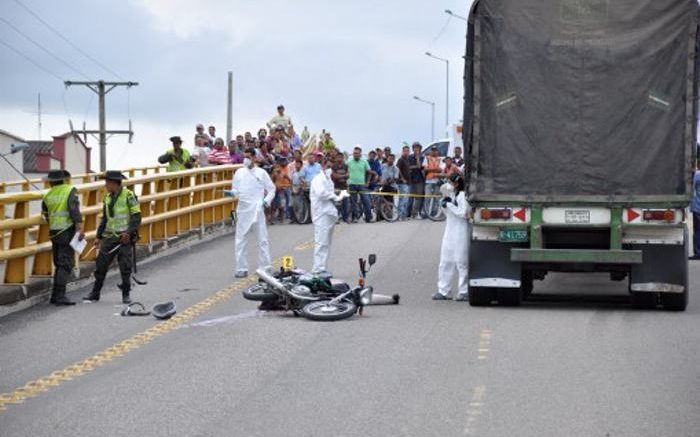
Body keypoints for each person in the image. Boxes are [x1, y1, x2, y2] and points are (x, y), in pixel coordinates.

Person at [84, 171, 142, 304]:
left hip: (124, 238)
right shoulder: (107, 198)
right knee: (101, 265)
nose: (105, 185)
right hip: (109, 237)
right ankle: (95, 293)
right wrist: (98, 236)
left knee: (125, 266)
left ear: (115, 183)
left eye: (107, 182)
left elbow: (136, 216)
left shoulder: (128, 196)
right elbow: (105, 219)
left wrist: (129, 232)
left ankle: (126, 294)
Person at [230, 149, 276, 278]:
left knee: (262, 239)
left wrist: (266, 201)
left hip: (257, 210)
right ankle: (241, 268)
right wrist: (233, 193)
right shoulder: (239, 172)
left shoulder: (261, 173)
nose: (246, 159)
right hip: (243, 209)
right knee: (240, 239)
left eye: (249, 157)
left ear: (255, 158)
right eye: (245, 157)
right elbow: (235, 189)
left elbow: (272, 189)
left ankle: (265, 267)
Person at [42, 170, 83, 306]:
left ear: (50, 181)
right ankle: (60, 295)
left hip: (55, 232)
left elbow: (46, 214)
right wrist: (79, 228)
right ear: (64, 179)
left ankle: (55, 295)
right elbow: (74, 210)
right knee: (66, 264)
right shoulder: (69, 190)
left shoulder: (48, 195)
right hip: (67, 231)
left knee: (59, 263)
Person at [433, 174, 470, 301]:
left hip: (461, 232)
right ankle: (444, 291)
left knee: (461, 262)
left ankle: (464, 291)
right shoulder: (451, 196)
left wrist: (449, 205)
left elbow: (463, 213)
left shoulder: (462, 196)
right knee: (445, 261)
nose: (448, 185)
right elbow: (448, 213)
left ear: (457, 184)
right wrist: (444, 205)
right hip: (449, 231)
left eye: (450, 182)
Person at [310, 158, 349, 275]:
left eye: (331, 167)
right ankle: (317, 269)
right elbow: (322, 193)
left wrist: (340, 194)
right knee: (321, 242)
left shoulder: (328, 180)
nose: (329, 169)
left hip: (329, 214)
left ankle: (322, 268)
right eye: (327, 166)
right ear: (322, 166)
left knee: (326, 243)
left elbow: (330, 192)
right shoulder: (318, 179)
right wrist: (336, 196)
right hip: (321, 214)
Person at [348, 146, 373, 223]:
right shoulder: (349, 162)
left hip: (362, 185)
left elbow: (369, 172)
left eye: (357, 153)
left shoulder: (364, 161)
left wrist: (368, 182)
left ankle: (368, 218)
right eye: (354, 153)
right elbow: (345, 170)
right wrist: (347, 181)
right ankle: (355, 218)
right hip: (352, 184)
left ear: (360, 154)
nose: (355, 155)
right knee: (353, 203)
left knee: (366, 201)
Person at [424, 146, 444, 216]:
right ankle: (426, 213)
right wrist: (435, 169)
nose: (434, 151)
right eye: (432, 150)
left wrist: (431, 169)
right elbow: (425, 169)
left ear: (437, 151)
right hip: (428, 181)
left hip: (437, 181)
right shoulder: (427, 158)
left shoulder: (440, 159)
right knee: (427, 198)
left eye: (435, 150)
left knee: (436, 198)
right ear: (430, 151)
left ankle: (433, 213)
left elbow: (441, 170)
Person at [331, 153, 351, 223]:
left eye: (341, 157)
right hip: (336, 187)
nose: (339, 159)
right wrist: (343, 176)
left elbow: (348, 175)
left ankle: (346, 218)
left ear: (343, 158)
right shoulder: (333, 166)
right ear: (336, 158)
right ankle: (336, 218)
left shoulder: (346, 166)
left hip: (344, 187)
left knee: (346, 204)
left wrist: (339, 176)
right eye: (338, 157)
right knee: (337, 204)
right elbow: (334, 176)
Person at [408, 142, 426, 218]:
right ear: (413, 148)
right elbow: (408, 167)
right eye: (415, 147)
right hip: (411, 179)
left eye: (417, 147)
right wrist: (416, 166)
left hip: (420, 180)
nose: (416, 149)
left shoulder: (422, 157)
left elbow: (420, 166)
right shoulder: (410, 157)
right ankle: (408, 213)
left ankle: (415, 213)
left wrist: (418, 158)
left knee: (418, 198)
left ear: (420, 148)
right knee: (410, 197)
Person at [396, 146, 412, 220]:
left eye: (408, 151)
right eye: (405, 151)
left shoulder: (407, 160)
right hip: (402, 183)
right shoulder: (401, 160)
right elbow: (397, 169)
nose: (406, 152)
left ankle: (404, 215)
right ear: (403, 151)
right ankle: (399, 215)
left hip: (408, 182)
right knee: (403, 199)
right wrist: (402, 178)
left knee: (406, 199)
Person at [691, 163, 700, 260]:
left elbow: (690, 185)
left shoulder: (697, 175)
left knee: (698, 231)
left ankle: (698, 253)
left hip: (698, 208)